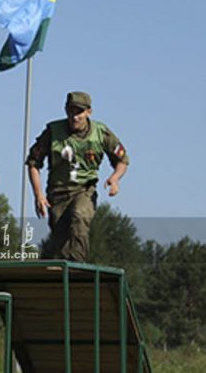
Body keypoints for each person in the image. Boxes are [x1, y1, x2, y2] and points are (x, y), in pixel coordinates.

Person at [25, 91, 129, 262]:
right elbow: (33, 163)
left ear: (89, 112)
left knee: (79, 216)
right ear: (66, 110)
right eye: (71, 112)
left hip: (84, 189)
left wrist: (115, 178)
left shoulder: (101, 133)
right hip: (57, 193)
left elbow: (122, 159)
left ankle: (78, 267)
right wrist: (38, 195)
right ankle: (67, 275)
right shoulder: (53, 131)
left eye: (79, 112)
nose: (75, 117)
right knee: (61, 239)